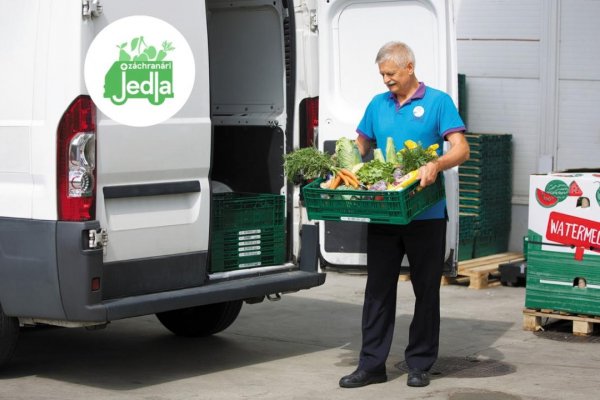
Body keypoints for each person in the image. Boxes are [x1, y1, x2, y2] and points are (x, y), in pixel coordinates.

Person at [339, 41, 470, 389]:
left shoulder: (438, 102)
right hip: (383, 212)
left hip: (425, 214)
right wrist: (342, 161)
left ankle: (420, 363)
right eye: (382, 74)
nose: (386, 80)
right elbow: (362, 143)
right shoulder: (377, 104)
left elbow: (461, 148)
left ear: (409, 68)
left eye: (391, 74)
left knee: (426, 290)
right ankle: (371, 365)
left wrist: (436, 164)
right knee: (377, 291)